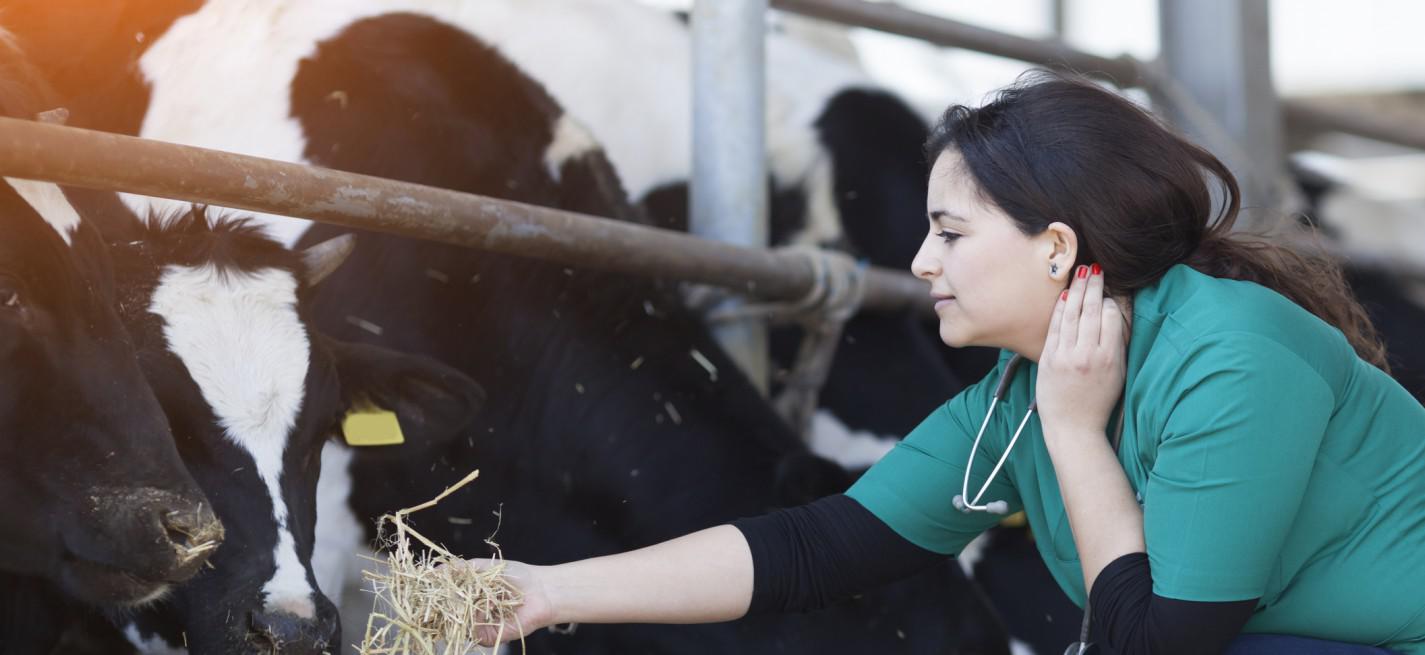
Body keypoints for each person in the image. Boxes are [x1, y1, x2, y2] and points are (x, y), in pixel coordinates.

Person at [465, 71, 1425, 654]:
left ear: (1056, 250)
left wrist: (1075, 432)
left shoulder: (1227, 359)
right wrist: (553, 590)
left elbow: (1151, 646)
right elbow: (819, 545)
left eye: (948, 232)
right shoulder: (1030, 383)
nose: (920, 262)